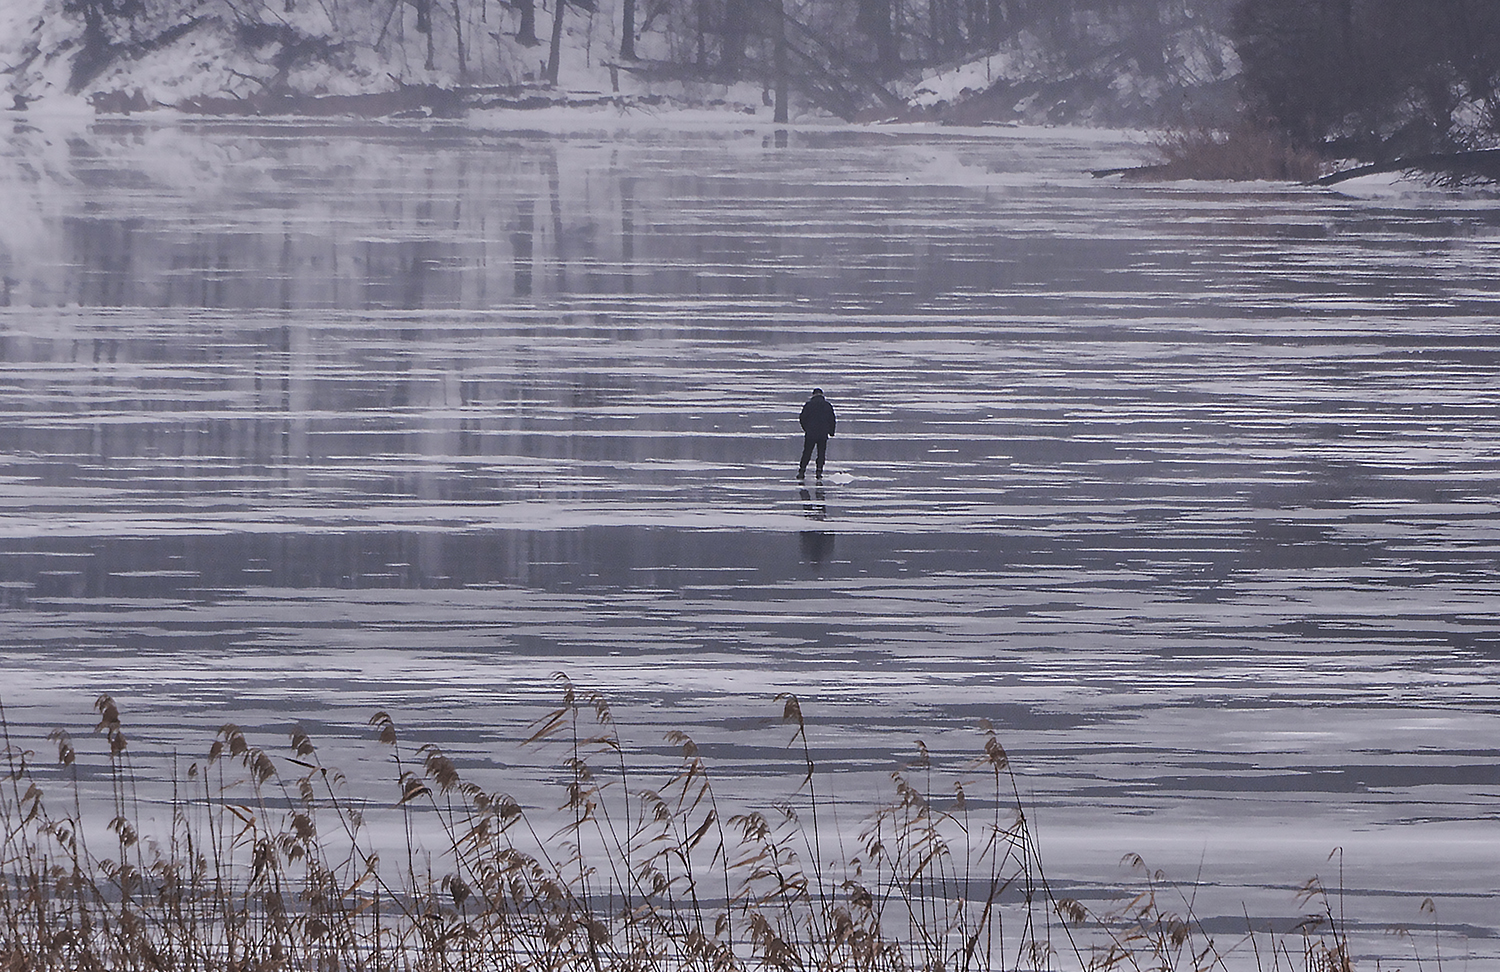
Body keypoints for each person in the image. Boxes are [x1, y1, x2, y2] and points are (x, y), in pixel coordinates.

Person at [797, 388, 836, 480]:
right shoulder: (827, 405)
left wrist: (806, 429)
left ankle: (802, 471)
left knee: (807, 452)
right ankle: (819, 472)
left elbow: (802, 418)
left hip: (811, 433)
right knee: (821, 453)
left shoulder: (809, 405)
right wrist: (831, 431)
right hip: (823, 434)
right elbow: (832, 419)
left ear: (813, 395)